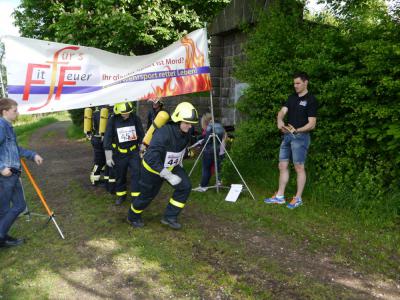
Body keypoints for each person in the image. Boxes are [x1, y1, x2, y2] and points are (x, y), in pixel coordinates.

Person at [127, 102, 198, 230]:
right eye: (186, 123)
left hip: (171, 166)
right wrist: (167, 174)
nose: (189, 126)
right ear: (178, 120)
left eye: (191, 123)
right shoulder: (164, 133)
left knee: (185, 186)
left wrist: (187, 154)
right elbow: (151, 157)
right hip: (152, 170)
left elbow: (177, 148)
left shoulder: (186, 132)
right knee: (146, 196)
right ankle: (133, 217)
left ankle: (169, 217)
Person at [264, 72, 317, 209]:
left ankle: (298, 198)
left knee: (299, 167)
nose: (295, 86)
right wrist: (280, 120)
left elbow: (312, 124)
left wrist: (296, 130)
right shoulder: (291, 98)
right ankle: (280, 196)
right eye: (294, 83)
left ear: (306, 83)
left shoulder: (311, 100)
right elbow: (282, 111)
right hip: (287, 136)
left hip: (301, 137)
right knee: (282, 165)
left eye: (298, 83)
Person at [0, 98, 43, 248]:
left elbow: (16, 150)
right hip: (5, 175)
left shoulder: (8, 127)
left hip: (13, 173)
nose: (17, 113)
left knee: (19, 205)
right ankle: (1, 237)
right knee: (5, 209)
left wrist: (33, 155)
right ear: (5, 112)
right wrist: (1, 167)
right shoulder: (1, 126)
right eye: (14, 110)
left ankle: (2, 236)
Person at [103, 102, 144, 205]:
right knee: (120, 175)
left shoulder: (135, 118)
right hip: (120, 154)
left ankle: (135, 197)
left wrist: (142, 149)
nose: (126, 115)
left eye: (128, 112)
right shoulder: (113, 120)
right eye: (124, 113)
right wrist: (108, 157)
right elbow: (107, 138)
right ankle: (121, 195)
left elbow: (141, 134)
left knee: (137, 174)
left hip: (134, 152)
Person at [193, 113, 226, 192]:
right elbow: (225, 139)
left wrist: (199, 143)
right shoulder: (220, 128)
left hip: (208, 152)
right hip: (221, 152)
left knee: (206, 169)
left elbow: (205, 142)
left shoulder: (207, 131)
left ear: (204, 123)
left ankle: (203, 186)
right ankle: (219, 182)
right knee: (219, 168)